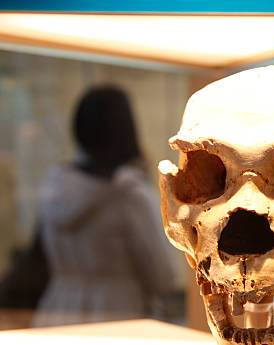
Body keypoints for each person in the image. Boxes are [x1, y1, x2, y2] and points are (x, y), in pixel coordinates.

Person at [32, 86, 181, 327]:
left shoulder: (55, 186)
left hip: (56, 309)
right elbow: (163, 276)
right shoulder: (130, 195)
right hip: (118, 315)